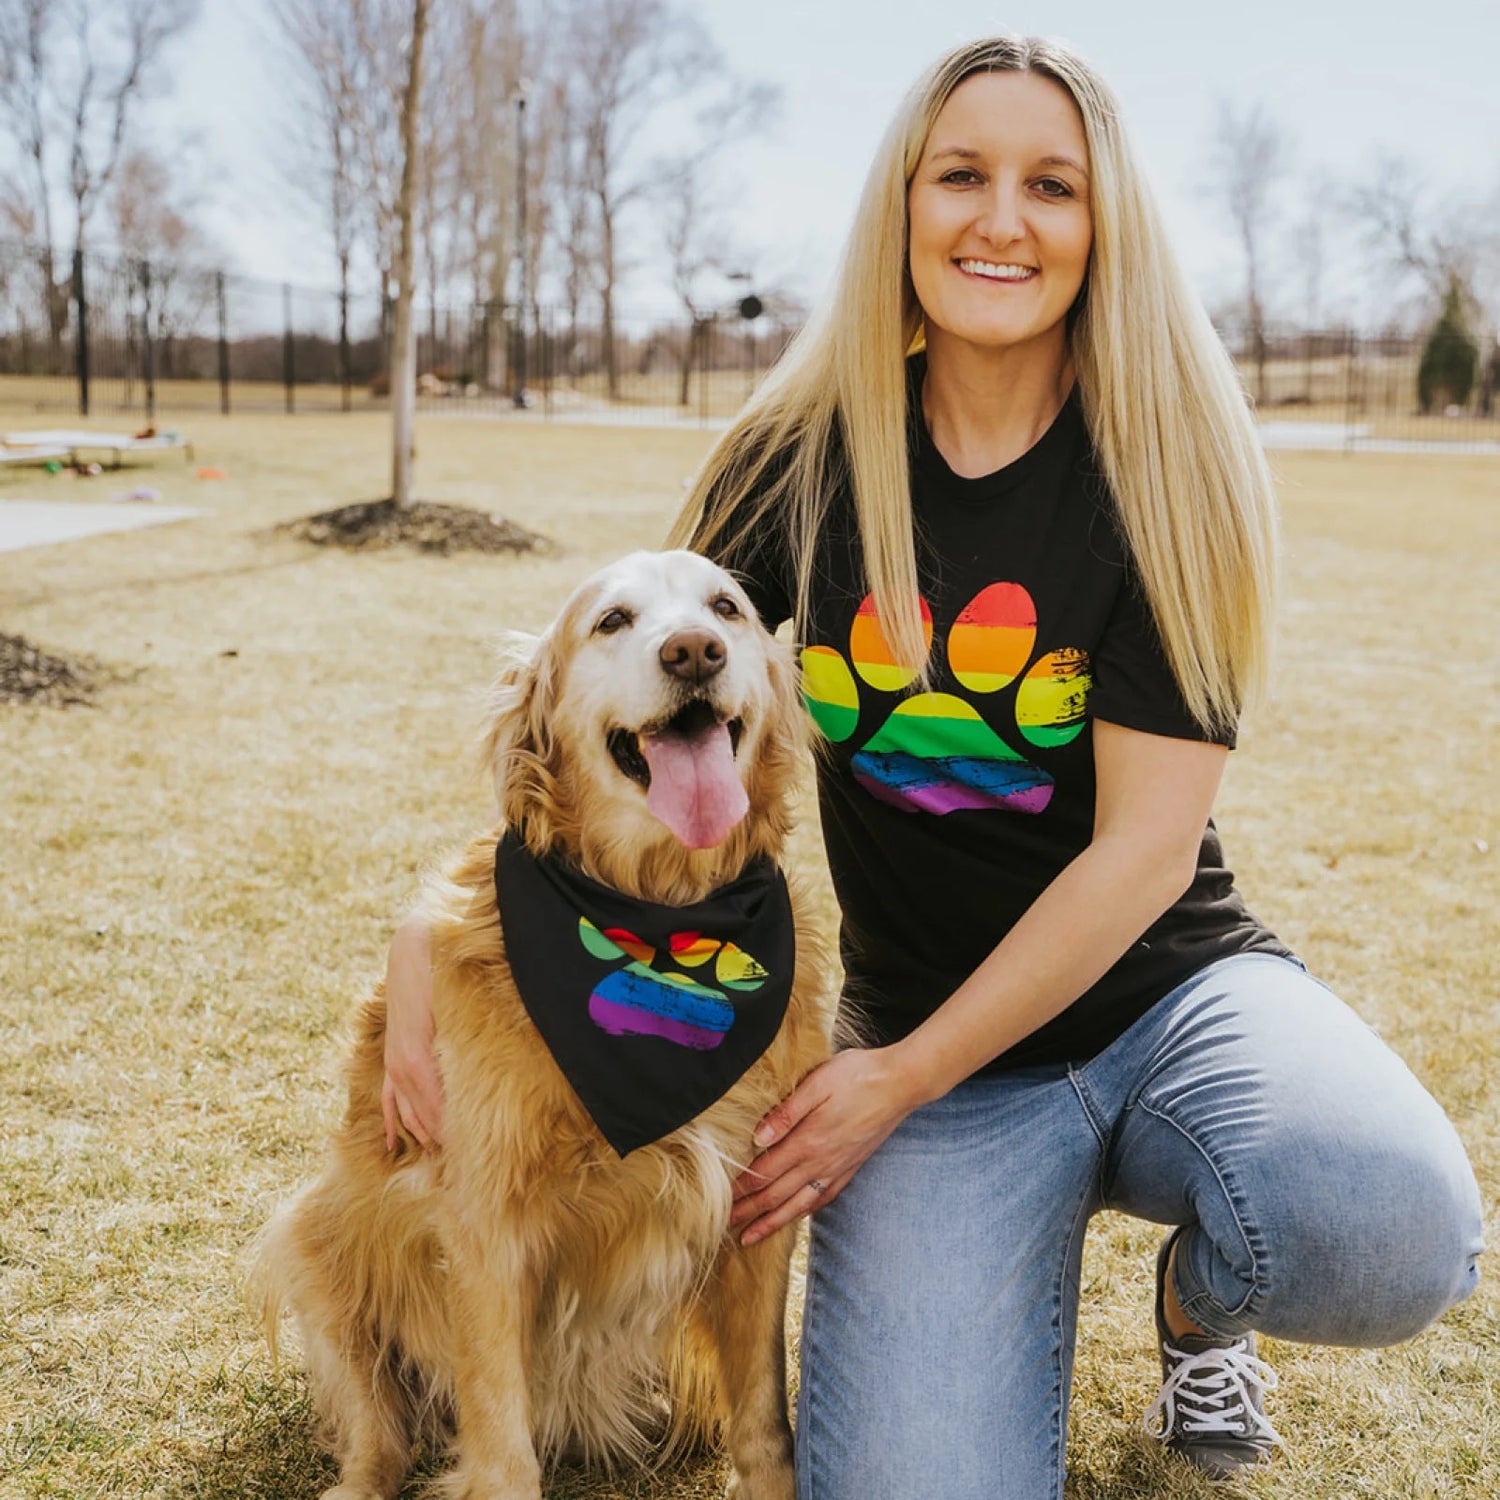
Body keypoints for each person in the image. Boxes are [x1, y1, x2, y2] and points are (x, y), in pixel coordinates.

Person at [381, 34, 1484, 1500]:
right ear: (902, 206)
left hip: (1165, 999)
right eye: (960, 174)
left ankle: (1196, 1307)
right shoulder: (797, 457)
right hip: (940, 1070)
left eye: (1052, 185)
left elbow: (1143, 855)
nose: (1001, 220)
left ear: (1105, 226)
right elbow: (627, 703)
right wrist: (430, 923)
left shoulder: (1169, 468)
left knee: (1388, 1226)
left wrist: (887, 1081)